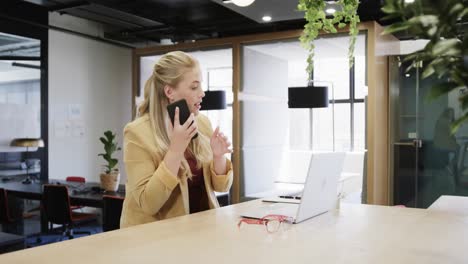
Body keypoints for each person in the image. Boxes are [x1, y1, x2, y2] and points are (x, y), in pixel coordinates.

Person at [120, 51, 233, 228]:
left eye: (200, 85)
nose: (202, 93)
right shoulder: (137, 133)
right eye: (194, 87)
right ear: (169, 91)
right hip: (153, 240)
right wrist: (175, 150)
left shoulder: (201, 123)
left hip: (200, 231)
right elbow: (149, 203)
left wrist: (218, 157)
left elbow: (222, 187)